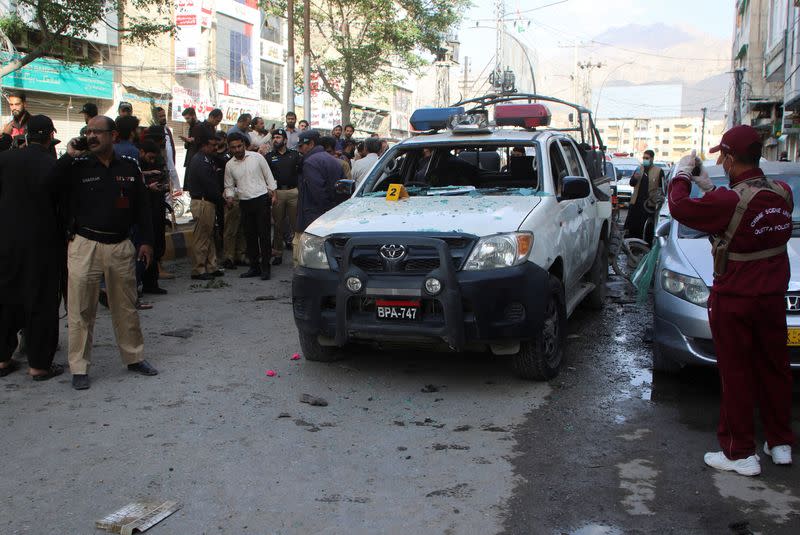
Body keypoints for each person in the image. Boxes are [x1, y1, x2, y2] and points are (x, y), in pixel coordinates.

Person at [668, 125, 795, 476]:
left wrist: (681, 175)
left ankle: (740, 453)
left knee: (736, 374)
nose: (720, 161)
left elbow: (680, 207)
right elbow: (744, 211)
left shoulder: (728, 201)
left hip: (735, 299)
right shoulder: (783, 193)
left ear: (730, 157)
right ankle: (780, 442)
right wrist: (709, 187)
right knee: (775, 368)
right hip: (772, 298)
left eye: (722, 155)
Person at [57, 116, 159, 390]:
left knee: (126, 306)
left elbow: (142, 207)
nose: (91, 136)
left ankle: (134, 356)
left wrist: (146, 241)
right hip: (84, 244)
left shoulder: (128, 166)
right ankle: (79, 367)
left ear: (113, 136)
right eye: (88, 132)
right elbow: (49, 185)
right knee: (81, 309)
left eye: (97, 132)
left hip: (120, 246)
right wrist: (68, 156)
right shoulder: (76, 166)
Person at [0, 115, 64, 381]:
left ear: (25, 134)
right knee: (42, 303)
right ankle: (38, 365)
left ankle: (3, 359)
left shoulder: (4, 160)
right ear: (50, 136)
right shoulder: (53, 166)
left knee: (4, 299)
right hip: (43, 246)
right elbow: (63, 208)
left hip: (6, 243)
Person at [224, 133, 277, 280]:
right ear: (230, 148)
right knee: (250, 236)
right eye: (233, 147)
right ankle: (254, 267)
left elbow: (269, 176)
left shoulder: (257, 157)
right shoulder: (229, 165)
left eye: (239, 146)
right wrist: (229, 197)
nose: (237, 149)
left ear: (244, 145)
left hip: (261, 200)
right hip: (244, 202)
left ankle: (266, 267)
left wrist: (273, 193)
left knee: (264, 236)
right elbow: (228, 185)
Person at [294, 129, 344, 265]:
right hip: (331, 214)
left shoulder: (310, 162)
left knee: (307, 258)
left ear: (310, 144)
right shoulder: (333, 160)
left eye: (301, 146)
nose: (299, 149)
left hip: (314, 216)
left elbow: (318, 192)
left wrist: (325, 212)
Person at [186, 132, 224, 280]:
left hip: (208, 202)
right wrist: (221, 200)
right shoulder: (200, 161)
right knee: (201, 237)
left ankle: (211, 266)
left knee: (209, 236)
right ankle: (199, 269)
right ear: (203, 145)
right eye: (212, 145)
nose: (215, 148)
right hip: (202, 202)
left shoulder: (207, 159)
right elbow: (209, 185)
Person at [266, 129, 301, 266]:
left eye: (278, 137)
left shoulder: (295, 155)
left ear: (285, 140)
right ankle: (278, 254)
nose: (275, 139)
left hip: (293, 192)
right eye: (274, 137)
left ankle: (298, 255)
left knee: (295, 225)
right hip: (277, 193)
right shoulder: (269, 157)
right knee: (278, 225)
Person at [138, 141, 169, 295]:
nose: (151, 161)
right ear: (142, 152)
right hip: (144, 213)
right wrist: (147, 188)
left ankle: (151, 283)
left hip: (156, 210)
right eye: (149, 157)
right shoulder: (134, 164)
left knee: (155, 246)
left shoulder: (156, 166)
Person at [625, 149, 665, 244]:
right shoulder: (639, 169)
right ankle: (634, 246)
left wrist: (658, 201)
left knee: (647, 229)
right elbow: (632, 183)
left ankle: (646, 247)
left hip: (649, 205)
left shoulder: (658, 171)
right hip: (636, 203)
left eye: (647, 158)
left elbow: (662, 188)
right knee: (634, 228)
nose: (645, 160)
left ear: (652, 159)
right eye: (644, 158)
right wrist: (635, 178)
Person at [153, 107, 181, 193]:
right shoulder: (153, 131)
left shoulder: (167, 130)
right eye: (160, 116)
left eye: (164, 115)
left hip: (171, 167)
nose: (163, 118)